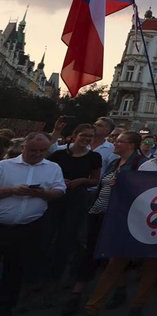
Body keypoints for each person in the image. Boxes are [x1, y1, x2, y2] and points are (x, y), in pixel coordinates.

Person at [63, 131, 145, 316]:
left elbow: (143, 190)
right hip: (99, 211)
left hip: (117, 215)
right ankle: (82, 292)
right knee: (94, 251)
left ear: (131, 145)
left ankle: (87, 295)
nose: (115, 143)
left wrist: (126, 185)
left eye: (120, 141)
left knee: (108, 254)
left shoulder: (139, 164)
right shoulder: (115, 163)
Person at [0, 133, 66, 316]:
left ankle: (6, 310)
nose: (37, 154)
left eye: (42, 151)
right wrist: (11, 191)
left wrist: (42, 193)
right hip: (2, 225)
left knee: (16, 270)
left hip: (29, 228)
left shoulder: (53, 168)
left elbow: (60, 191)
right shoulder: (4, 166)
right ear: (23, 147)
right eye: (33, 150)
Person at [47, 124, 102, 289]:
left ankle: (58, 274)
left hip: (77, 198)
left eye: (90, 137)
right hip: (56, 197)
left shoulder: (94, 157)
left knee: (68, 236)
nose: (86, 139)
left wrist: (82, 181)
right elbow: (47, 174)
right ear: (74, 136)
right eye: (83, 135)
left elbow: (95, 180)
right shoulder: (58, 155)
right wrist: (59, 181)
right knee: (50, 234)